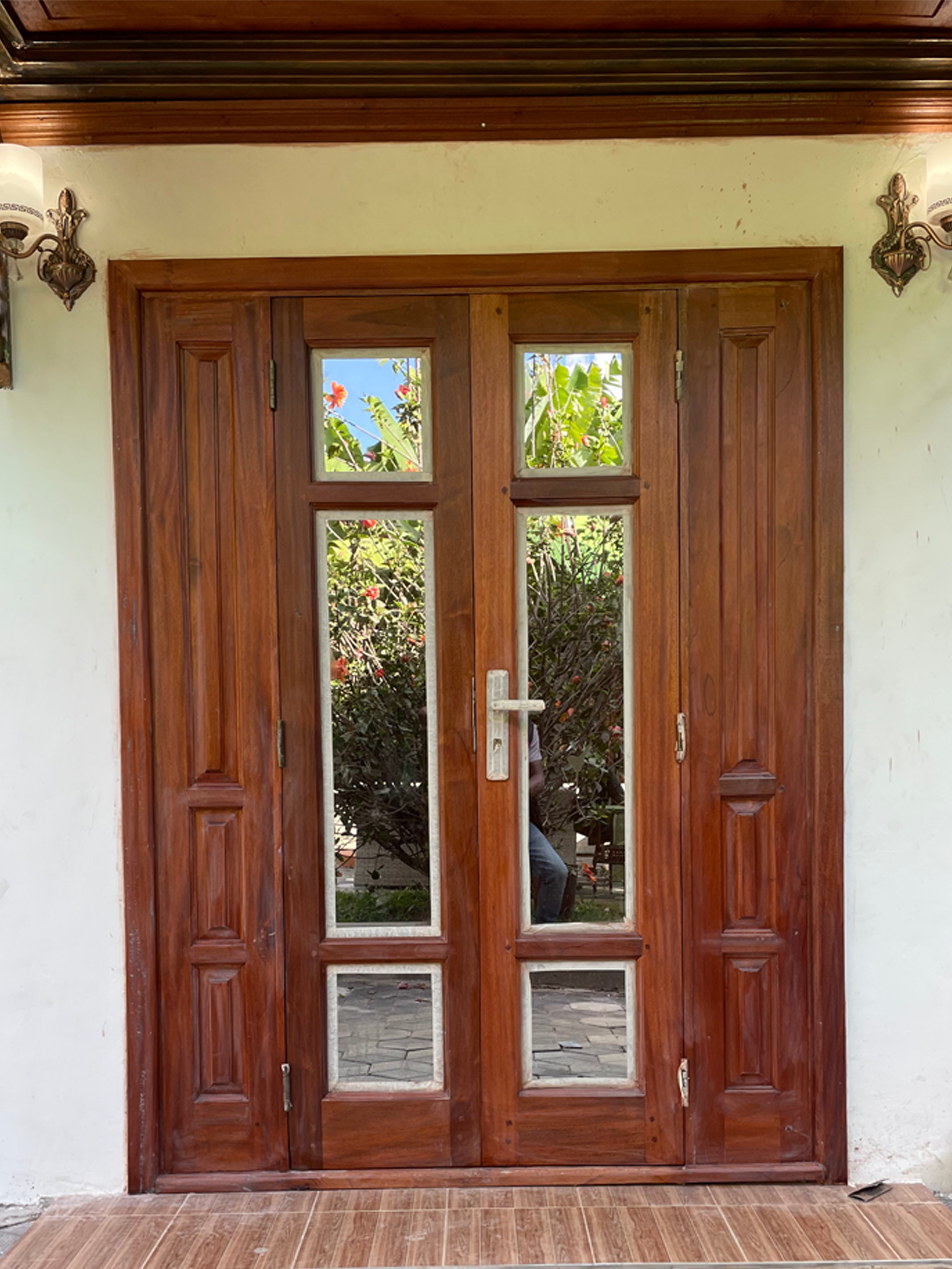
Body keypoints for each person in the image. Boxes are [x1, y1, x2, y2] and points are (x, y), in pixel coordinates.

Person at [527, 721, 568, 922]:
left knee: (556, 871)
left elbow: (538, 778)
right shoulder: (466, 719)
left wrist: (510, 796)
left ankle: (542, 932)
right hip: (473, 820)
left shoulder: (526, 727)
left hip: (517, 820)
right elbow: (424, 713)